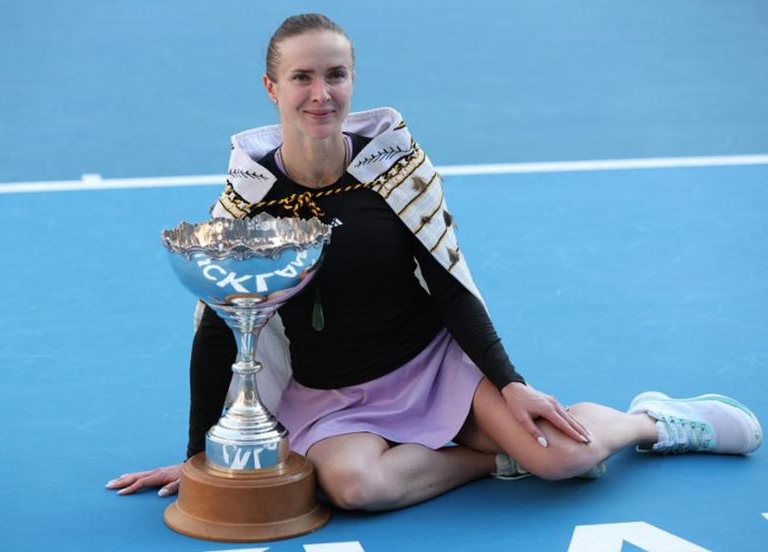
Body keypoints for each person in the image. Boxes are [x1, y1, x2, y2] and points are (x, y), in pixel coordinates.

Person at [107, 13, 762, 510]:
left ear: (352, 81)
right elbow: (221, 326)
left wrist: (508, 383)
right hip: (331, 395)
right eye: (302, 77)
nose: (320, 93)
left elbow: (450, 283)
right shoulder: (247, 201)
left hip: (432, 365)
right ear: (271, 87)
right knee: (354, 488)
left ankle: (654, 420)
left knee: (564, 459)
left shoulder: (395, 170)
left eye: (335, 75)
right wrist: (197, 456)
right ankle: (491, 459)